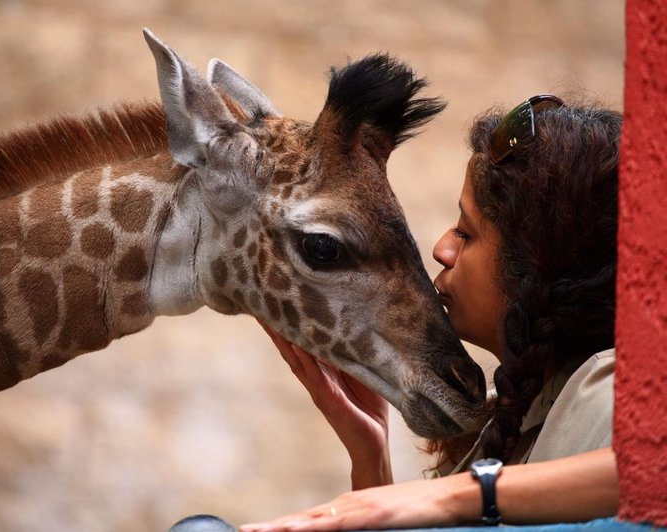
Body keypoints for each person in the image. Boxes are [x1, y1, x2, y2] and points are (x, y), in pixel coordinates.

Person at [237, 95, 623, 530]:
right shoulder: (519, 413)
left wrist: (450, 497)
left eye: (466, 231)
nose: (442, 248)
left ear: (538, 265)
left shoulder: (609, 390)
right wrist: (370, 454)